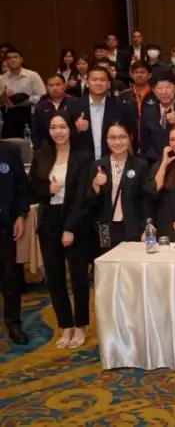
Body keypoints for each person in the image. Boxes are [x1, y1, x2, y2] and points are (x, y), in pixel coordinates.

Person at [29, 113, 92, 348]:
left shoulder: (83, 157)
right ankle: (65, 325)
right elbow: (32, 187)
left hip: (75, 221)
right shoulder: (41, 155)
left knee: (78, 278)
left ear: (70, 128)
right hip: (49, 221)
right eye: (54, 127)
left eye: (63, 126)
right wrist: (48, 189)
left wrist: (70, 228)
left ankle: (81, 325)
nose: (58, 131)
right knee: (54, 278)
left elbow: (85, 197)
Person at [80, 122, 151, 257]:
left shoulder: (140, 165)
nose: (117, 142)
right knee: (106, 263)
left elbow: (146, 201)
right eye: (112, 137)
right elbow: (89, 202)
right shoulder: (98, 165)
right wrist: (95, 186)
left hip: (132, 228)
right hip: (104, 228)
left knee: (131, 264)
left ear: (130, 138)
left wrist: (146, 228)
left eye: (122, 137)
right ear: (106, 140)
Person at [0, 138, 30, 344]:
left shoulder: (9, 150)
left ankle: (13, 323)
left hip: (5, 225)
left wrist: (21, 214)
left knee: (9, 277)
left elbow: (21, 185)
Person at [69, 65, 128, 160]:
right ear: (87, 83)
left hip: (112, 160)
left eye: (103, 80)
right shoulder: (74, 106)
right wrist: (76, 129)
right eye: (94, 79)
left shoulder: (119, 106)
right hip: (83, 162)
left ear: (109, 84)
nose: (98, 83)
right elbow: (64, 137)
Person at [0, 47, 46, 138]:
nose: (12, 60)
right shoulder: (2, 78)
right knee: (11, 143)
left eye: (15, 57)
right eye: (9, 58)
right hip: (11, 116)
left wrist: (24, 101)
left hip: (31, 114)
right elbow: (1, 102)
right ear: (6, 61)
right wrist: (4, 96)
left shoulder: (32, 75)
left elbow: (42, 96)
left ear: (21, 59)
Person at [139, 78, 175, 162]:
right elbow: (144, 144)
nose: (164, 92)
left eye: (167, 87)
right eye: (159, 88)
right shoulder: (147, 112)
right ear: (154, 91)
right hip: (153, 162)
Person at [30, 73, 76, 150]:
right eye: (51, 85)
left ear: (64, 86)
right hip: (46, 149)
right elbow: (36, 132)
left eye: (58, 85)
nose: (54, 88)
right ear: (46, 88)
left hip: (72, 148)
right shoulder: (41, 106)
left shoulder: (75, 103)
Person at [119, 61, 155, 155]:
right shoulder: (123, 96)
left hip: (152, 149)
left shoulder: (156, 95)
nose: (139, 75)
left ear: (149, 75)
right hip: (128, 148)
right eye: (136, 72)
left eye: (142, 72)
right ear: (131, 74)